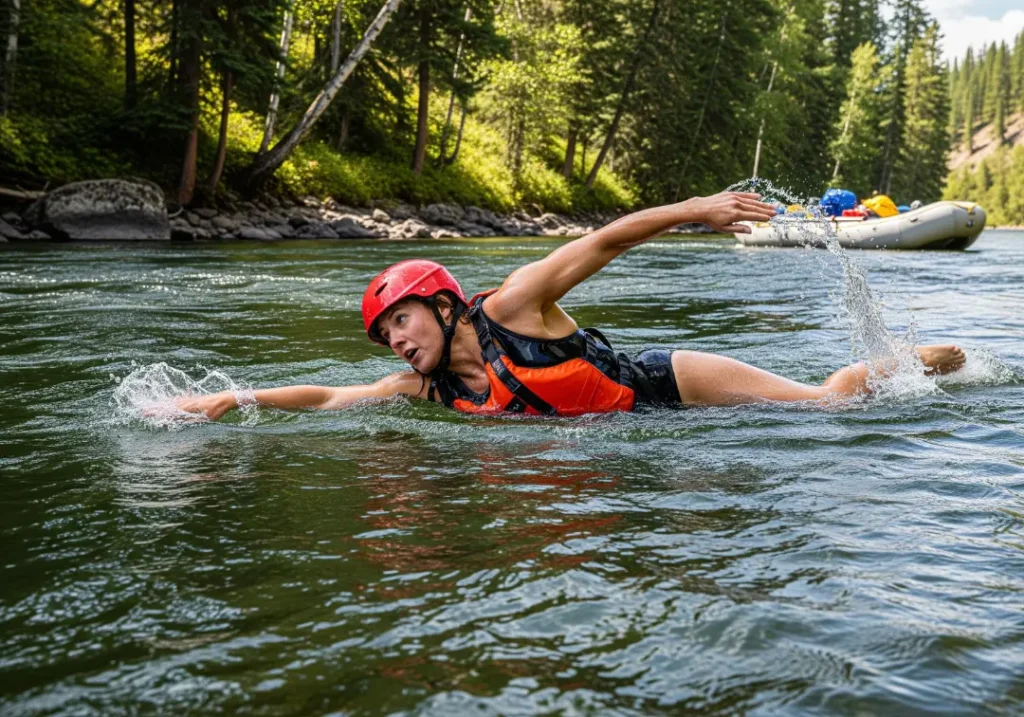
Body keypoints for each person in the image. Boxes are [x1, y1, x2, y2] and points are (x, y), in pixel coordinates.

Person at [174, 191, 966, 421]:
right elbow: (325, 395)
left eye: (401, 321)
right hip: (628, 433)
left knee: (822, 405)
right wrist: (231, 397)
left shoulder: (514, 305)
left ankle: (909, 362)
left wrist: (694, 210)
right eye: (384, 334)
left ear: (444, 305)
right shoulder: (429, 389)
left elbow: (603, 243)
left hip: (665, 382)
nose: (394, 342)